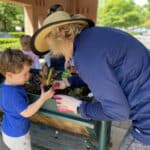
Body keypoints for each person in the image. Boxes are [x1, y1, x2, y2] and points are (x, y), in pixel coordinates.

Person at [31, 11, 150, 149]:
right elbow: (102, 69)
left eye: (52, 47)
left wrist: (78, 107)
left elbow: (118, 112)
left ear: (59, 39)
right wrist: (68, 82)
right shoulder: (93, 38)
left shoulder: (85, 56)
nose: (55, 52)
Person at [0, 48, 54, 150]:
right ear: (9, 75)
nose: (28, 76)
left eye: (28, 72)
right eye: (24, 74)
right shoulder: (13, 94)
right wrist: (43, 98)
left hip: (8, 129)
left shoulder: (5, 86)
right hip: (18, 136)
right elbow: (27, 112)